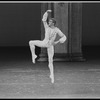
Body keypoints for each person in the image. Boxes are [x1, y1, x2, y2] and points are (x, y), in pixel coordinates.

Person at [29, 10, 67, 83]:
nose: (48, 22)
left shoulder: (56, 30)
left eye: (50, 22)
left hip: (50, 46)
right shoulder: (46, 27)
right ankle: (33, 55)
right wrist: (46, 12)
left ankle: (52, 75)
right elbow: (43, 19)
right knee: (31, 42)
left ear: (53, 23)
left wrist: (59, 41)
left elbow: (64, 36)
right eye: (48, 22)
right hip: (44, 43)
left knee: (50, 61)